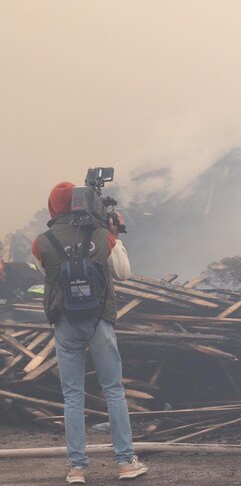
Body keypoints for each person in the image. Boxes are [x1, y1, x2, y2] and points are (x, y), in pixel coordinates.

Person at [32, 181, 147, 484]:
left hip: (65, 322)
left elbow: (49, 276)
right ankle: (125, 463)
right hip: (99, 321)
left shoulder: (41, 241)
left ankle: (77, 469)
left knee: (72, 396)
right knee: (113, 390)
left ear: (53, 206)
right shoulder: (101, 235)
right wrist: (113, 233)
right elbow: (123, 272)